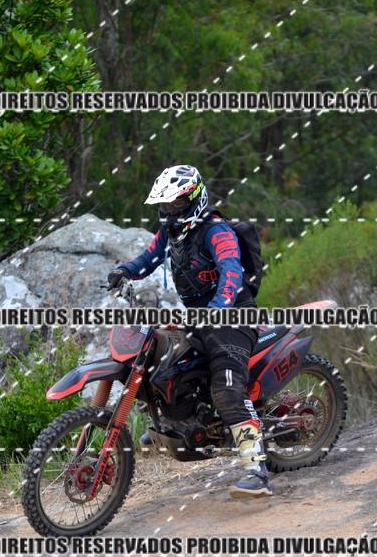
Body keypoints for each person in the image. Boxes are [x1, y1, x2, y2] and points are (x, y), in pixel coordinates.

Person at [107, 165, 272, 499]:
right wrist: (124, 271)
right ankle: (173, 426)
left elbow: (231, 271)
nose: (169, 210)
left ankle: (257, 470)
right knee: (161, 364)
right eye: (165, 205)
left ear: (194, 199)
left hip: (233, 317)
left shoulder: (216, 231)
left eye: (176, 204)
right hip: (198, 318)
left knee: (226, 388)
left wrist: (219, 307)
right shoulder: (171, 230)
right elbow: (148, 258)